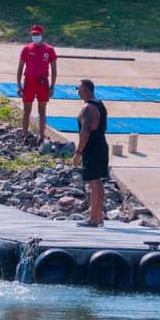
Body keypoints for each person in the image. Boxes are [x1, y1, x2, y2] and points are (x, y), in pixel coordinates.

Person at [71, 79, 108, 227]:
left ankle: (93, 219)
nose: (77, 92)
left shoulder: (88, 108)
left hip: (92, 148)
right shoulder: (100, 104)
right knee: (98, 183)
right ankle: (98, 217)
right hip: (101, 145)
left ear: (86, 88)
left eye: (78, 88)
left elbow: (85, 132)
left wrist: (78, 152)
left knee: (94, 184)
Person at [16, 24, 57, 145]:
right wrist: (18, 85)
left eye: (37, 34)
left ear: (42, 34)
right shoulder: (26, 49)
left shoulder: (49, 50)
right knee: (26, 111)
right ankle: (24, 135)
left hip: (42, 84)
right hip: (29, 83)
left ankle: (42, 136)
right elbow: (20, 67)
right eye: (33, 34)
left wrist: (52, 86)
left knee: (42, 111)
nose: (35, 36)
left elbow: (54, 70)